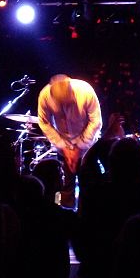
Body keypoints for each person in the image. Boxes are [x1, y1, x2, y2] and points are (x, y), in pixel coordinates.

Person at [37, 74, 102, 208]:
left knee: (90, 184)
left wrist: (79, 147)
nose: (65, 108)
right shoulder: (45, 96)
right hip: (62, 145)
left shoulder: (85, 91)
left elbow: (96, 121)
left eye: (68, 104)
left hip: (87, 144)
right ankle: (64, 213)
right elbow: (44, 123)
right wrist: (64, 147)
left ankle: (88, 212)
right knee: (64, 186)